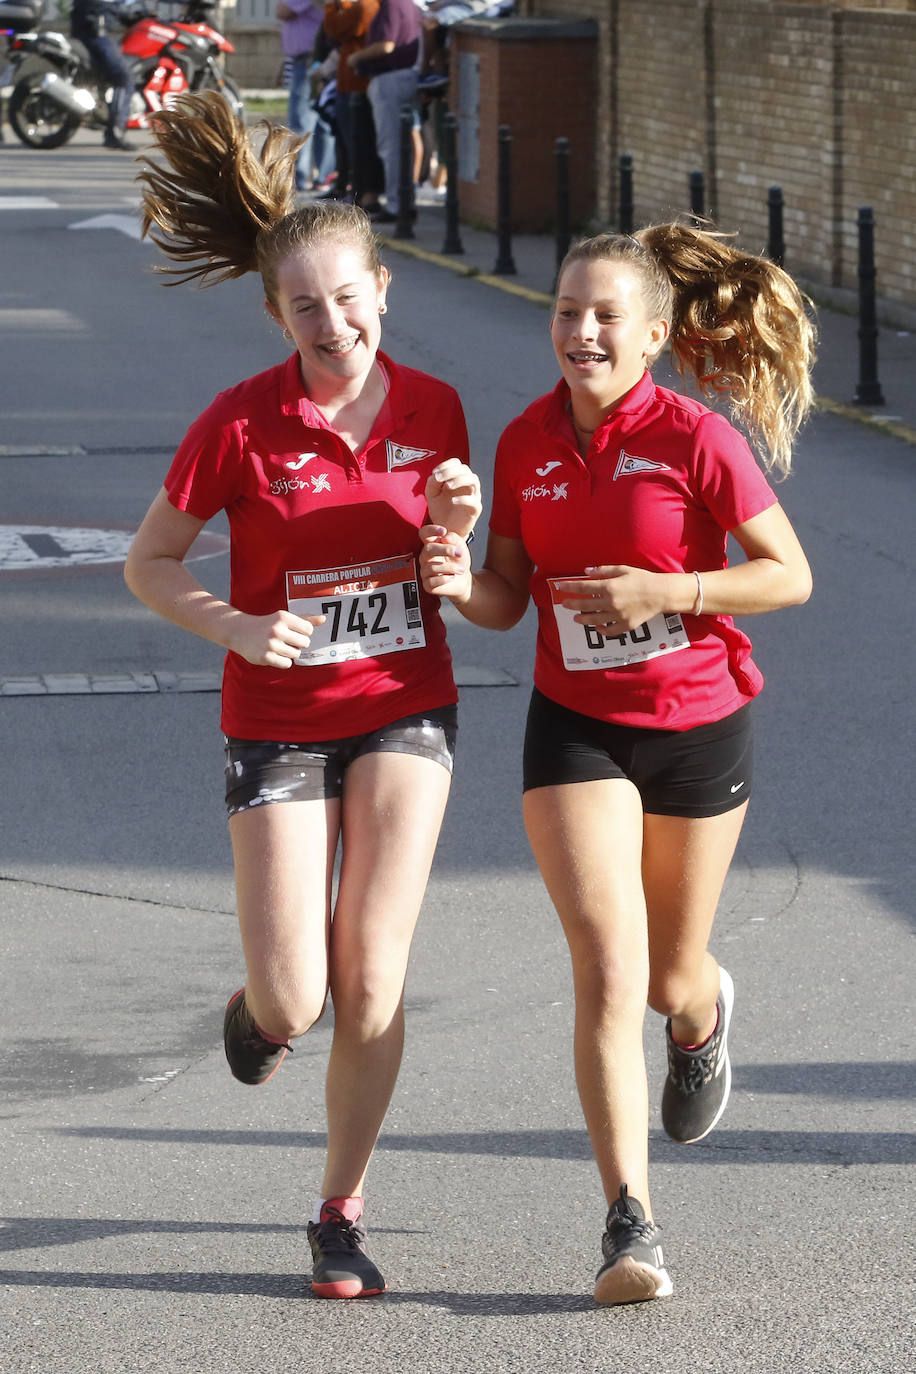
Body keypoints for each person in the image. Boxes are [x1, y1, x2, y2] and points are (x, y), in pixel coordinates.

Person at [125, 92, 480, 1300]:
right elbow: (148, 563)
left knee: (372, 976)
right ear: (275, 315)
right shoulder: (238, 423)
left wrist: (454, 550)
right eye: (302, 307)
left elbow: (458, 570)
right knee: (297, 994)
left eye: (347, 297)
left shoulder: (436, 411)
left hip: (403, 705)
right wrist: (232, 623)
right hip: (274, 717)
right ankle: (261, 1014)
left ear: (384, 287)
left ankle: (338, 1209)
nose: (331, 324)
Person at [420, 225, 815, 1305]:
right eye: (563, 311)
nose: (579, 331)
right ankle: (626, 1219)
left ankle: (700, 1018)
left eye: (603, 317)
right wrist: (457, 578)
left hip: (696, 722)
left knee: (665, 979)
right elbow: (506, 603)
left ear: (650, 336)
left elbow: (788, 577)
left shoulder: (696, 438)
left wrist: (670, 593)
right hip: (576, 724)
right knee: (604, 964)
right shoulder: (524, 443)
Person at [348, 0, 420, 223]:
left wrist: (356, 57)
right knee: (401, 145)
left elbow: (386, 45)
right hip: (404, 75)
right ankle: (404, 201)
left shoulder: (392, 4)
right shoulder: (408, 4)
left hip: (390, 78)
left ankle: (397, 206)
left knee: (391, 146)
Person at [322, 0, 386, 212]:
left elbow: (334, 29)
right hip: (352, 84)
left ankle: (362, 194)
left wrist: (332, 6)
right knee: (351, 144)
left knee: (359, 145)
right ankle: (351, 189)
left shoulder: (366, 6)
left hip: (356, 86)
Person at [276, 0, 334, 191]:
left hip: (309, 59)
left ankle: (302, 177)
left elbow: (282, 11)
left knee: (301, 120)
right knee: (319, 119)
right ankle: (321, 176)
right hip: (305, 58)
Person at [70, 0, 133, 150]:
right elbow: (104, 6)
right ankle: (115, 132)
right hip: (95, 33)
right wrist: (126, 13)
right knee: (123, 78)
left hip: (85, 29)